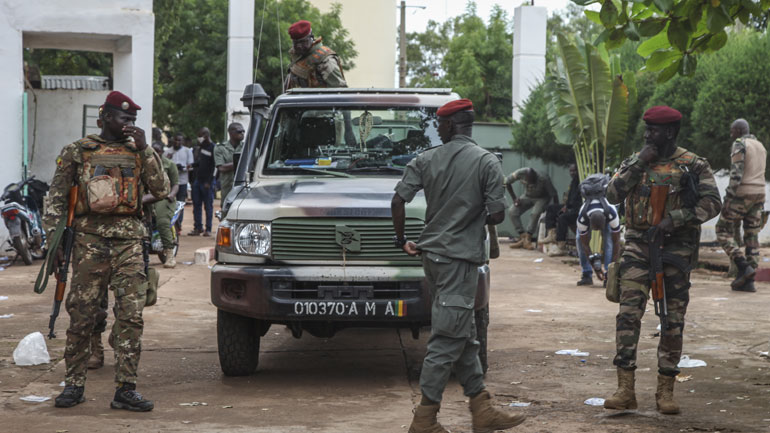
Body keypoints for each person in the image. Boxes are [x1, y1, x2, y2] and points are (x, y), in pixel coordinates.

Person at [391, 99, 526, 432]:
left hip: (433, 260)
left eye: (440, 124)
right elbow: (497, 214)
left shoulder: (426, 159)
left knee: (464, 335)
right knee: (446, 339)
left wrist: (401, 240)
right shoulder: (486, 162)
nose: (438, 129)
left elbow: (398, 200)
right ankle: (424, 419)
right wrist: (475, 209)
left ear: (451, 125)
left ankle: (482, 408)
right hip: (460, 261)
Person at [45, 91, 169, 411]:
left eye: (133, 120)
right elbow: (56, 199)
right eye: (124, 118)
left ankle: (125, 389)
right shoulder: (78, 151)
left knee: (131, 315)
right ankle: (74, 385)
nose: (130, 124)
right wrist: (53, 243)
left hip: (129, 240)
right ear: (105, 118)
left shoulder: (139, 151)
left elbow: (162, 189)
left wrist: (145, 149)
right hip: (89, 240)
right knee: (83, 314)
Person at [603, 106, 721, 415]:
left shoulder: (693, 165)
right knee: (628, 314)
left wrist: (676, 219)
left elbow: (712, 203)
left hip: (675, 250)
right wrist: (640, 160)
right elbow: (612, 193)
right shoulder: (637, 161)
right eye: (646, 130)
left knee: (672, 321)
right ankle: (625, 388)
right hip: (638, 246)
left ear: (669, 132)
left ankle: (665, 390)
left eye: (653, 131)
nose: (647, 135)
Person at [715, 119, 767, 292]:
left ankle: (743, 266)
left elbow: (736, 173)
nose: (731, 134)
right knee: (752, 235)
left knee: (722, 230)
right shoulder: (760, 146)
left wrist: (729, 197)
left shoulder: (740, 144)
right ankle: (748, 282)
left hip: (742, 193)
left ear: (738, 130)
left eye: (732, 131)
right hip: (759, 193)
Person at [505, 167, 558, 249]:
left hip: (542, 197)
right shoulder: (520, 173)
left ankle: (528, 238)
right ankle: (523, 238)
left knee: (535, 213)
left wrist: (555, 209)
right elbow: (507, 182)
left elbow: (554, 194)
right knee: (512, 211)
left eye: (532, 181)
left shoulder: (544, 178)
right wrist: (514, 198)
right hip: (527, 196)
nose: (530, 184)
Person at [285, 20, 347, 90]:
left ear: (311, 37)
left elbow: (339, 91)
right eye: (296, 43)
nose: (299, 46)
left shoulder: (325, 59)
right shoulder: (297, 57)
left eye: (303, 42)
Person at [147, 141, 180, 267]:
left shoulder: (169, 164)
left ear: (162, 152)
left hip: (164, 197)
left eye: (158, 151)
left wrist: (171, 195)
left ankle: (170, 253)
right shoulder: (145, 163)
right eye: (153, 150)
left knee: (162, 221)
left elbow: (176, 184)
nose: (155, 153)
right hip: (148, 197)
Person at [575, 197, 621, 286]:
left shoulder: (612, 214)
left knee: (609, 242)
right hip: (588, 214)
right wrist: (596, 269)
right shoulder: (582, 218)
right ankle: (586, 274)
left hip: (607, 212)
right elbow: (585, 245)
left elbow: (616, 243)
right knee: (579, 240)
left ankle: (608, 276)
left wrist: (611, 272)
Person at [542, 163, 582, 255]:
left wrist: (569, 208)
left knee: (563, 218)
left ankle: (561, 245)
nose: (572, 173)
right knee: (551, 208)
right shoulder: (573, 182)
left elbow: (577, 201)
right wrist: (566, 206)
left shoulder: (581, 181)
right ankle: (551, 233)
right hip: (570, 207)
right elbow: (569, 198)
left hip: (577, 210)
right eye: (571, 171)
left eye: (574, 171)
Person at [189, 127, 215, 236]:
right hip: (197, 181)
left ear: (205, 136)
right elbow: (201, 162)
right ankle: (197, 228)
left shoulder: (213, 148)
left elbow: (215, 167)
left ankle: (208, 229)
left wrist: (209, 181)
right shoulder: (201, 148)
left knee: (208, 206)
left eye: (200, 136)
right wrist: (192, 165)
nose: (198, 139)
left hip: (207, 182)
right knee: (196, 205)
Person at [165, 133, 193, 233]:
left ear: (182, 141)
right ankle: (170, 225)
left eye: (179, 140)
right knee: (170, 202)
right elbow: (163, 164)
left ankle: (178, 226)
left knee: (180, 204)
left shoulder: (187, 151)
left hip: (182, 181)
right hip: (170, 182)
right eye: (176, 140)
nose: (177, 142)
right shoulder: (167, 151)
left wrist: (183, 167)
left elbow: (190, 166)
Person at [214, 122, 245, 208]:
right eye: (239, 131)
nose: (242, 133)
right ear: (231, 133)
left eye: (243, 131)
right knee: (226, 212)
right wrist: (242, 162)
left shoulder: (247, 147)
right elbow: (221, 168)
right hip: (227, 188)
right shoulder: (220, 148)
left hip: (243, 187)